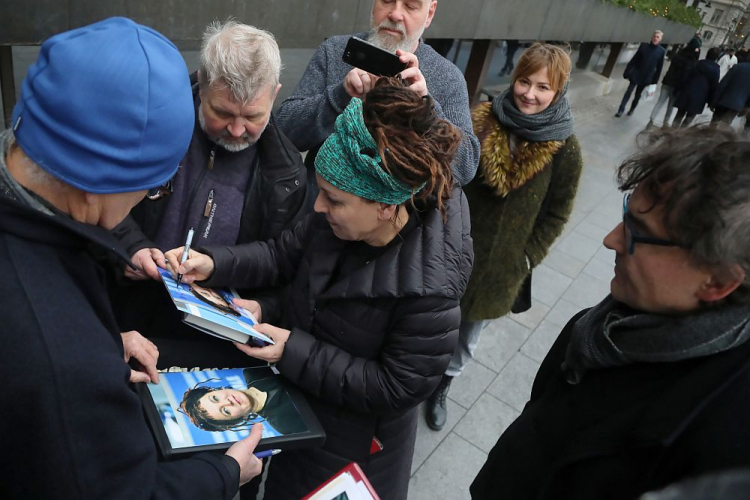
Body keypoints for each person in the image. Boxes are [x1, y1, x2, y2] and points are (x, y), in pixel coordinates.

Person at [166, 77, 473, 500]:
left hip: (350, 452)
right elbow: (282, 255)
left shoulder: (430, 291)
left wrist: (292, 349)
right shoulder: (340, 217)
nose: (317, 206)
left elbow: (396, 386)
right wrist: (215, 263)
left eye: (333, 200)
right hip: (296, 409)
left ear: (385, 207)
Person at [0, 17, 263, 499]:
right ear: (105, 180)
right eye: (154, 185)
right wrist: (223, 474)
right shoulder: (65, 362)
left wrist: (104, 339)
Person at [470, 125, 750, 500]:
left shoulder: (721, 444)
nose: (611, 240)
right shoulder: (598, 327)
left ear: (717, 282)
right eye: (626, 214)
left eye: (639, 231)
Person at [110, 20, 308, 339]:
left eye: (253, 117)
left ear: (275, 95)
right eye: (223, 113)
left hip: (213, 337)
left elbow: (284, 263)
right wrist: (128, 246)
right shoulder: (148, 121)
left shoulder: (287, 175)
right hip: (122, 310)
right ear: (202, 83)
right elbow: (94, 193)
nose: (237, 130)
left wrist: (262, 304)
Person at [426, 43, 583, 430]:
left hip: (502, 268)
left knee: (466, 336)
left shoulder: (566, 148)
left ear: (558, 91)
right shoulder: (479, 120)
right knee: (427, 320)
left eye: (543, 87)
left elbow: (558, 211)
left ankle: (442, 385)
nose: (530, 93)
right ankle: (417, 376)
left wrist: (526, 257)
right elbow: (448, 180)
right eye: (524, 81)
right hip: (451, 250)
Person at [274, 0, 480, 188]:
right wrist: (339, 97)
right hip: (318, 211)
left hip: (400, 224)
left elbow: (465, 167)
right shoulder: (335, 50)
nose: (395, 14)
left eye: (410, 6)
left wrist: (426, 110)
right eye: (387, 1)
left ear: (430, 13)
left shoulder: (448, 77)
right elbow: (283, 132)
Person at [180, 368, 309, 435]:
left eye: (215, 398)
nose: (227, 402)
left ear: (215, 390)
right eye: (225, 411)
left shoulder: (254, 371)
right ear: (235, 420)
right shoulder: (284, 423)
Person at [615, 30, 666, 118]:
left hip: (646, 77)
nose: (655, 38)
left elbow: (659, 68)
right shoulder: (644, 46)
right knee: (629, 91)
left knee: (638, 94)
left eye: (658, 37)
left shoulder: (661, 51)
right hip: (636, 73)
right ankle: (621, 109)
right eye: (655, 36)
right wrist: (627, 71)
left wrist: (654, 81)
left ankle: (632, 108)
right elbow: (634, 60)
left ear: (660, 39)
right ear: (652, 37)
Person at [646, 45, 698, 129]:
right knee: (670, 106)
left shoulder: (677, 56)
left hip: (667, 81)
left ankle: (651, 119)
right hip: (676, 86)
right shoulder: (690, 62)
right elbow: (685, 76)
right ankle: (665, 123)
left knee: (660, 102)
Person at [671, 47, 720, 128]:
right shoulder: (715, 70)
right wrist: (711, 102)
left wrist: (677, 90)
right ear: (716, 58)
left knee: (679, 115)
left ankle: (671, 132)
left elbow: (685, 77)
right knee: (689, 118)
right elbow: (714, 87)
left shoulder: (697, 64)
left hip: (687, 91)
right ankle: (680, 135)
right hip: (700, 98)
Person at [711, 61, 750, 126]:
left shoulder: (737, 66)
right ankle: (719, 135)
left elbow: (723, 83)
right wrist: (745, 107)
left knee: (714, 122)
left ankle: (708, 134)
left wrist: (714, 100)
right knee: (725, 125)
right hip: (737, 105)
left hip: (724, 100)